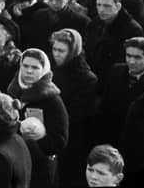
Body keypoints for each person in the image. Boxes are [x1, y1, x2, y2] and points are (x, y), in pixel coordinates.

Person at [6, 49, 69, 188]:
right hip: (13, 163)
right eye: (25, 66)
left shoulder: (52, 99)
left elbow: (60, 140)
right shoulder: (12, 91)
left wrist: (32, 146)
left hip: (40, 168)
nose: (29, 71)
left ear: (44, 70)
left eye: (35, 67)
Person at [48, 29, 97, 187]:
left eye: (61, 51)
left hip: (72, 139)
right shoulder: (53, 70)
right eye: (54, 49)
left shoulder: (86, 78)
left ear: (73, 51)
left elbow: (77, 114)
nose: (56, 54)